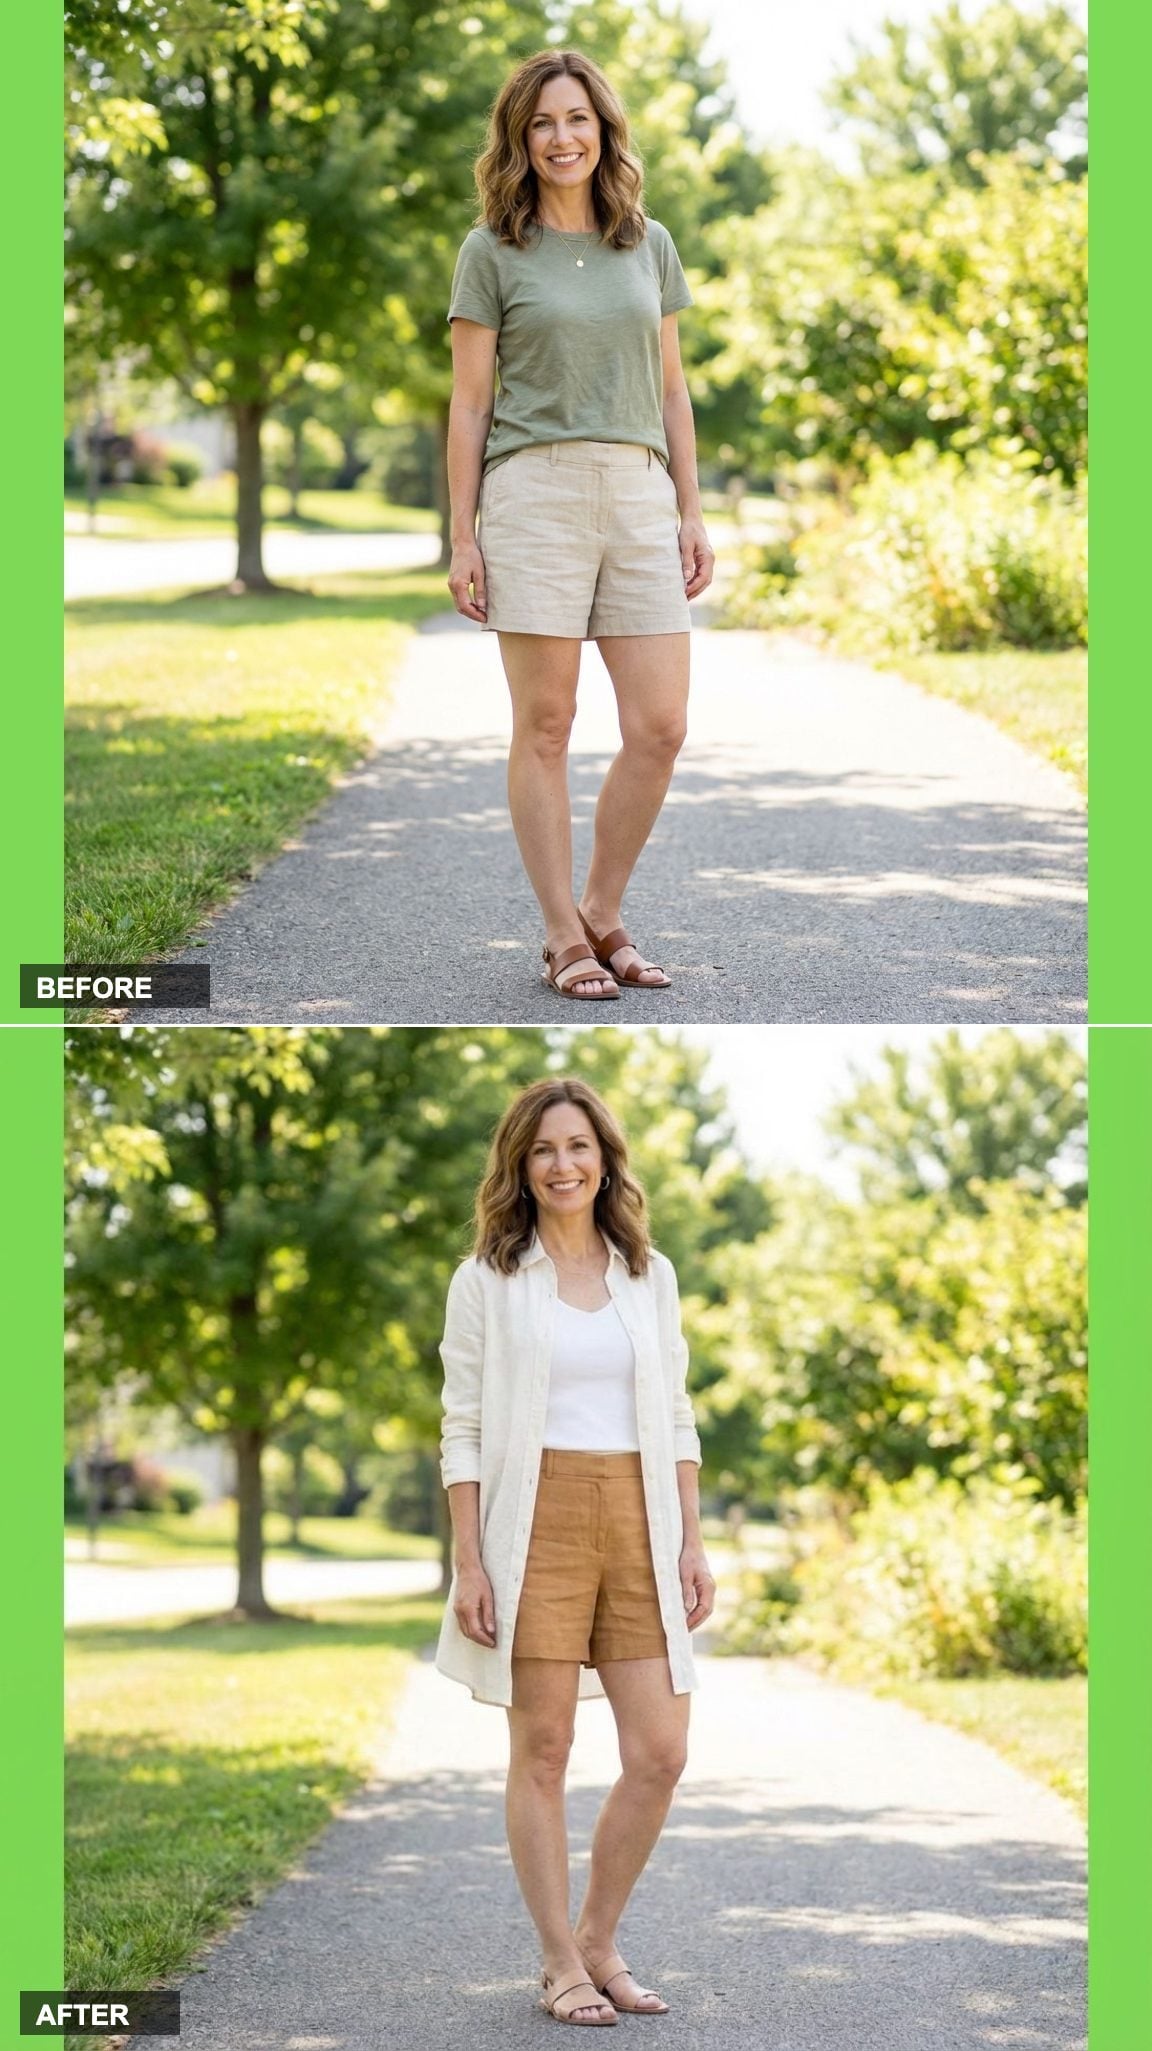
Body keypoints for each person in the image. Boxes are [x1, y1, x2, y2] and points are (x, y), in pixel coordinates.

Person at [436, 1078, 715, 2025]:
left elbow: (675, 1413)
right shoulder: (486, 1279)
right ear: (520, 1165)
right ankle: (560, 1960)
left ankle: (599, 1937)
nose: (563, 1164)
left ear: (605, 1159)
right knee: (545, 1747)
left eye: (579, 1146)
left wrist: (691, 1539)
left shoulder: (649, 1273)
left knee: (661, 1751)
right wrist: (470, 1559)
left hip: (641, 1516)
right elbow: (463, 1425)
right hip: (534, 1518)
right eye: (544, 1149)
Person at [446, 49, 715, 1003]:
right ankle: (562, 934)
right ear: (519, 140)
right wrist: (464, 534)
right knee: (548, 723)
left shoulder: (650, 243)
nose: (561, 139)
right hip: (534, 491)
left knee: (661, 726)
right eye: (541, 124)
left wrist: (690, 507)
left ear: (604, 130)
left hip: (639, 490)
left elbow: (672, 389)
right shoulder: (491, 251)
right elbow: (470, 403)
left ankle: (603, 908)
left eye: (577, 120)